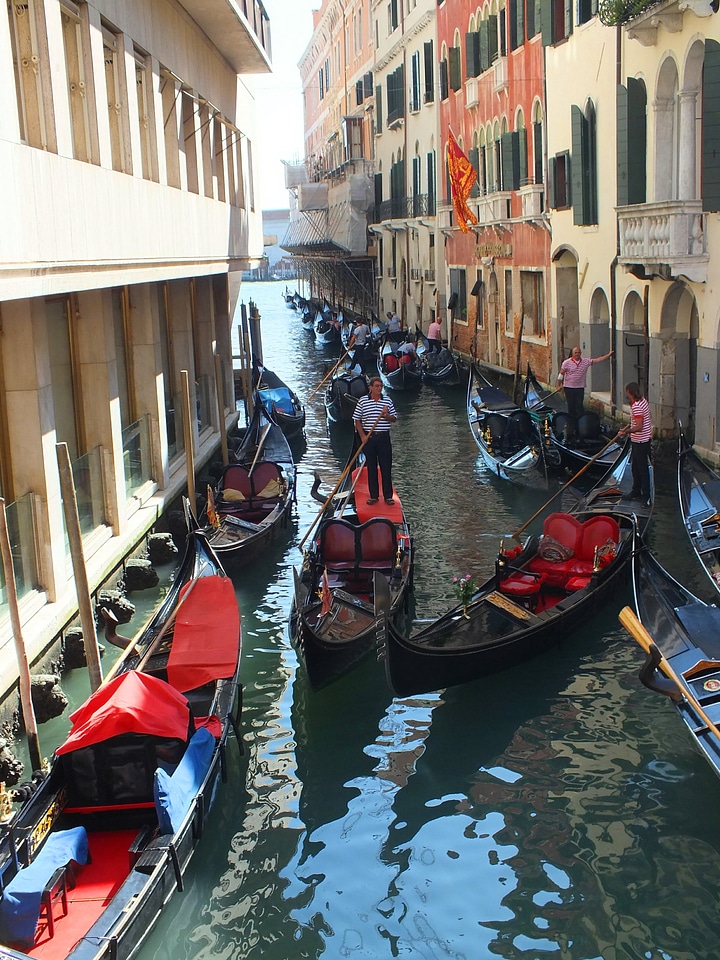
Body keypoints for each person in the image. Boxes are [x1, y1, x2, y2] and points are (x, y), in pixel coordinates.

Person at [353, 377, 398, 505]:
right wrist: (362, 436)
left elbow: (394, 418)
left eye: (381, 386)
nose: (379, 388)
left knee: (386, 467)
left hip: (383, 437)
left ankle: (388, 496)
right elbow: (357, 420)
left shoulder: (387, 401)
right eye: (377, 386)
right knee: (371, 468)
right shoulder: (363, 401)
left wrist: (386, 415)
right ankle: (374, 496)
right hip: (369, 438)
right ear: (371, 387)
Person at [617, 382, 653, 505]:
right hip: (643, 439)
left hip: (641, 441)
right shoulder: (643, 401)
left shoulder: (637, 406)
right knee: (635, 467)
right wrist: (628, 428)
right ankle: (636, 491)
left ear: (629, 393)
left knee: (642, 469)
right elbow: (636, 422)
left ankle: (646, 496)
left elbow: (639, 426)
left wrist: (626, 431)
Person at [557, 345, 613, 420]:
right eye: (575, 352)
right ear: (573, 354)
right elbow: (561, 374)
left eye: (578, 352)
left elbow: (597, 360)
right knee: (571, 405)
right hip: (569, 387)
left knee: (579, 405)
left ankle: (580, 421)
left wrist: (608, 355)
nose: (577, 354)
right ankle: (572, 420)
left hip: (580, 387)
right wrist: (559, 385)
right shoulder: (566, 363)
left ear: (581, 353)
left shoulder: (585, 361)